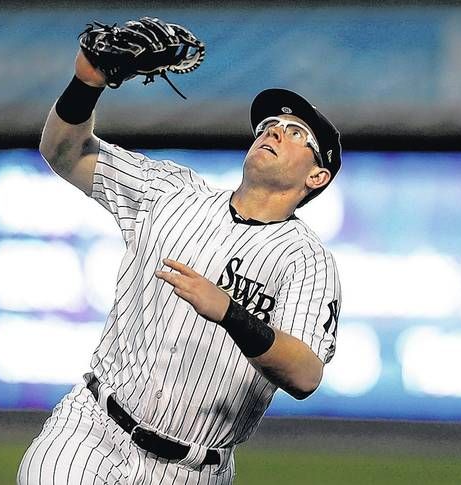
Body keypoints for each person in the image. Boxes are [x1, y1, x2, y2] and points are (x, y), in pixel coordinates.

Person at [17, 50, 342, 485]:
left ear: (316, 177)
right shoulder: (170, 192)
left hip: (195, 469)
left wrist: (230, 313)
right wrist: (86, 82)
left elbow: (305, 374)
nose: (275, 132)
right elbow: (63, 152)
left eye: (295, 132)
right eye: (269, 126)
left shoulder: (306, 260)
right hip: (92, 433)